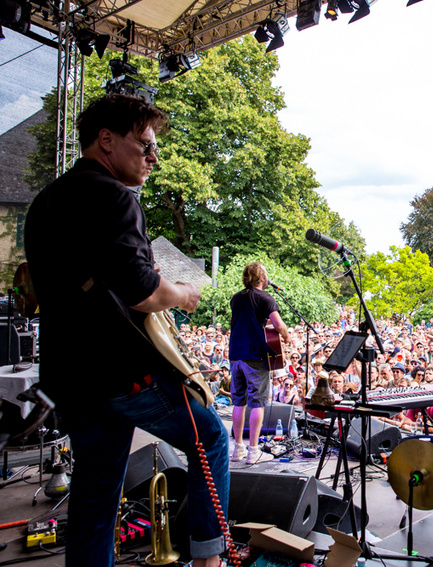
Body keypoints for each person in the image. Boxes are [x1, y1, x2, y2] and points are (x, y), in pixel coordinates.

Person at [24, 94, 228, 567]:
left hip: (70, 380)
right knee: (211, 439)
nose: (153, 158)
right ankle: (210, 558)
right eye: (145, 146)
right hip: (120, 373)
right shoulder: (115, 196)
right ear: (107, 140)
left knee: (95, 500)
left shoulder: (46, 201)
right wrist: (181, 292)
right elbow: (143, 293)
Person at [229, 261, 290, 464]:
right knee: (258, 403)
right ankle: (253, 450)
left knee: (239, 402)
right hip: (254, 356)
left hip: (235, 355)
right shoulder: (266, 298)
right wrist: (288, 337)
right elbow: (279, 324)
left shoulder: (236, 298)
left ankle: (238, 449)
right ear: (262, 279)